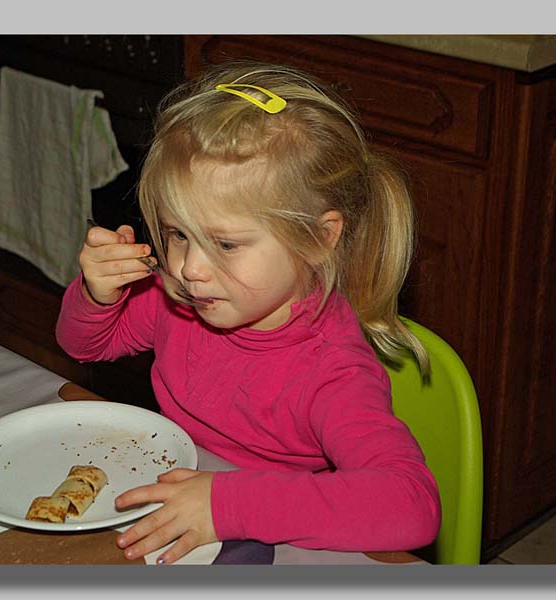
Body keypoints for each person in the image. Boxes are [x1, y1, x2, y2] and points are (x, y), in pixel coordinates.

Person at [55, 61, 441, 564]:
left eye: (226, 243)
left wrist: (225, 503)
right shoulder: (184, 299)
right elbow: (85, 345)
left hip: (276, 543)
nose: (191, 267)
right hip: (176, 512)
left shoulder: (333, 370)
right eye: (177, 234)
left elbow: (412, 506)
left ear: (319, 239)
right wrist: (96, 294)